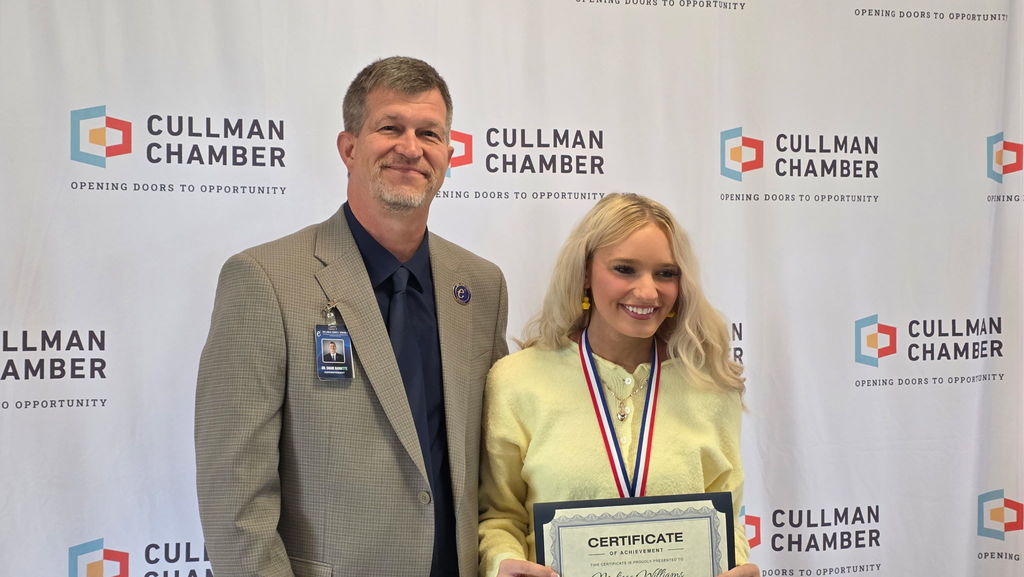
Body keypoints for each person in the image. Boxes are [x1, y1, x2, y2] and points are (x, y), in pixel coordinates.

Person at [195, 56, 509, 577]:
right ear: (349, 147)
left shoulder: (480, 286)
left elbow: (492, 468)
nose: (411, 148)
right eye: (391, 127)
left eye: (429, 133)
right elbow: (235, 503)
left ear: (450, 155)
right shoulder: (264, 280)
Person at [478, 193, 759, 577]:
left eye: (666, 273)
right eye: (625, 269)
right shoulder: (518, 380)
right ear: (584, 274)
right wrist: (502, 563)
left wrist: (735, 563)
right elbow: (499, 516)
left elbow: (725, 521)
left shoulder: (710, 385)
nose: (647, 292)